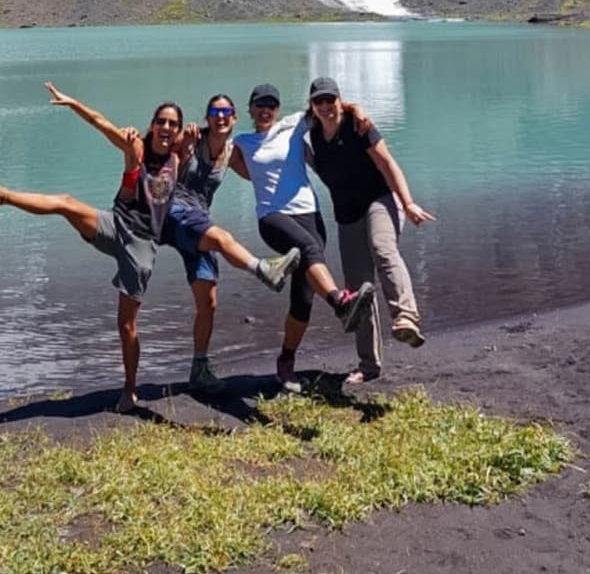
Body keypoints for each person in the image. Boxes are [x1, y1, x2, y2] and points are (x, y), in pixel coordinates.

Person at [0, 82, 299, 413]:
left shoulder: (184, 154)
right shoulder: (139, 148)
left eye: (173, 124)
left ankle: (142, 386)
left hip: (143, 243)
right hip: (118, 225)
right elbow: (102, 124)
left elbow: (239, 157)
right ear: (153, 124)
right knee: (67, 203)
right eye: (162, 122)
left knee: (140, 320)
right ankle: (2, 195)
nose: (168, 128)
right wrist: (73, 103)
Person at [230, 81, 374, 388]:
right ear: (250, 110)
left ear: (278, 109)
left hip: (309, 214)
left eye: (271, 105)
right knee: (308, 247)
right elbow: (220, 158)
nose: (265, 110)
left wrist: (357, 109)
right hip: (272, 216)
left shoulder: (293, 125)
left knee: (302, 298)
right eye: (259, 105)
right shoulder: (241, 142)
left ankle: (286, 362)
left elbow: (330, 109)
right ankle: (340, 302)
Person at [304, 75, 434, 385]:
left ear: (339, 100)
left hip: (380, 201)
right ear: (312, 106)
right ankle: (369, 364)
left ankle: (406, 316)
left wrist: (409, 203)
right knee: (357, 288)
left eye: (330, 100)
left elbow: (388, 164)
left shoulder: (358, 126)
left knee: (382, 247)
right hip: (346, 215)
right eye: (319, 101)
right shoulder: (310, 136)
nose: (325, 106)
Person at [165, 92, 250, 392]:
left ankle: (199, 367)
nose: (221, 116)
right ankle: (263, 269)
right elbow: (167, 163)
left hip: (200, 219)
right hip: (175, 215)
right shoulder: (192, 139)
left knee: (208, 301)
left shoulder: (231, 153)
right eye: (215, 112)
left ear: (235, 118)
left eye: (227, 111)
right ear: (207, 117)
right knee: (221, 239)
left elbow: (259, 174)